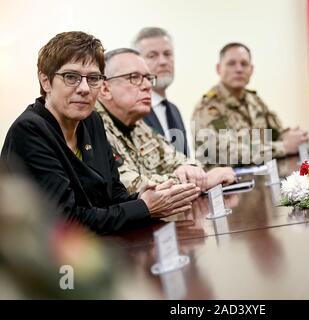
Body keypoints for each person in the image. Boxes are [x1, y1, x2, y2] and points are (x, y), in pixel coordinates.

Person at [0, 32, 199, 234]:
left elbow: (113, 196)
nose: (85, 89)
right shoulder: (30, 130)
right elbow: (66, 223)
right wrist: (143, 207)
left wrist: (145, 198)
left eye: (93, 78)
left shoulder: (92, 120)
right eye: (71, 77)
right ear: (46, 81)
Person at [96, 48, 236, 194]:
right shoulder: (90, 127)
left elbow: (177, 160)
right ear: (105, 88)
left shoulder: (137, 124)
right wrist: (202, 180)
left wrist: (192, 171)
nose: (148, 86)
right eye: (135, 77)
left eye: (148, 78)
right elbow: (128, 187)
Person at [192, 42, 309, 166]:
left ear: (251, 70)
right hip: (228, 183)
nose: (238, 69)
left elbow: (276, 133)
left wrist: (293, 137)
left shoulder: (255, 101)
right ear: (218, 68)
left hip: (265, 178)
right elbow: (225, 153)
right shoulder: (208, 108)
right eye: (231, 64)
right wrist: (283, 147)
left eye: (244, 64)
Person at [133, 27, 189, 156]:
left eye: (167, 54)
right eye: (152, 56)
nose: (163, 61)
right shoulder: (133, 111)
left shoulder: (174, 110)